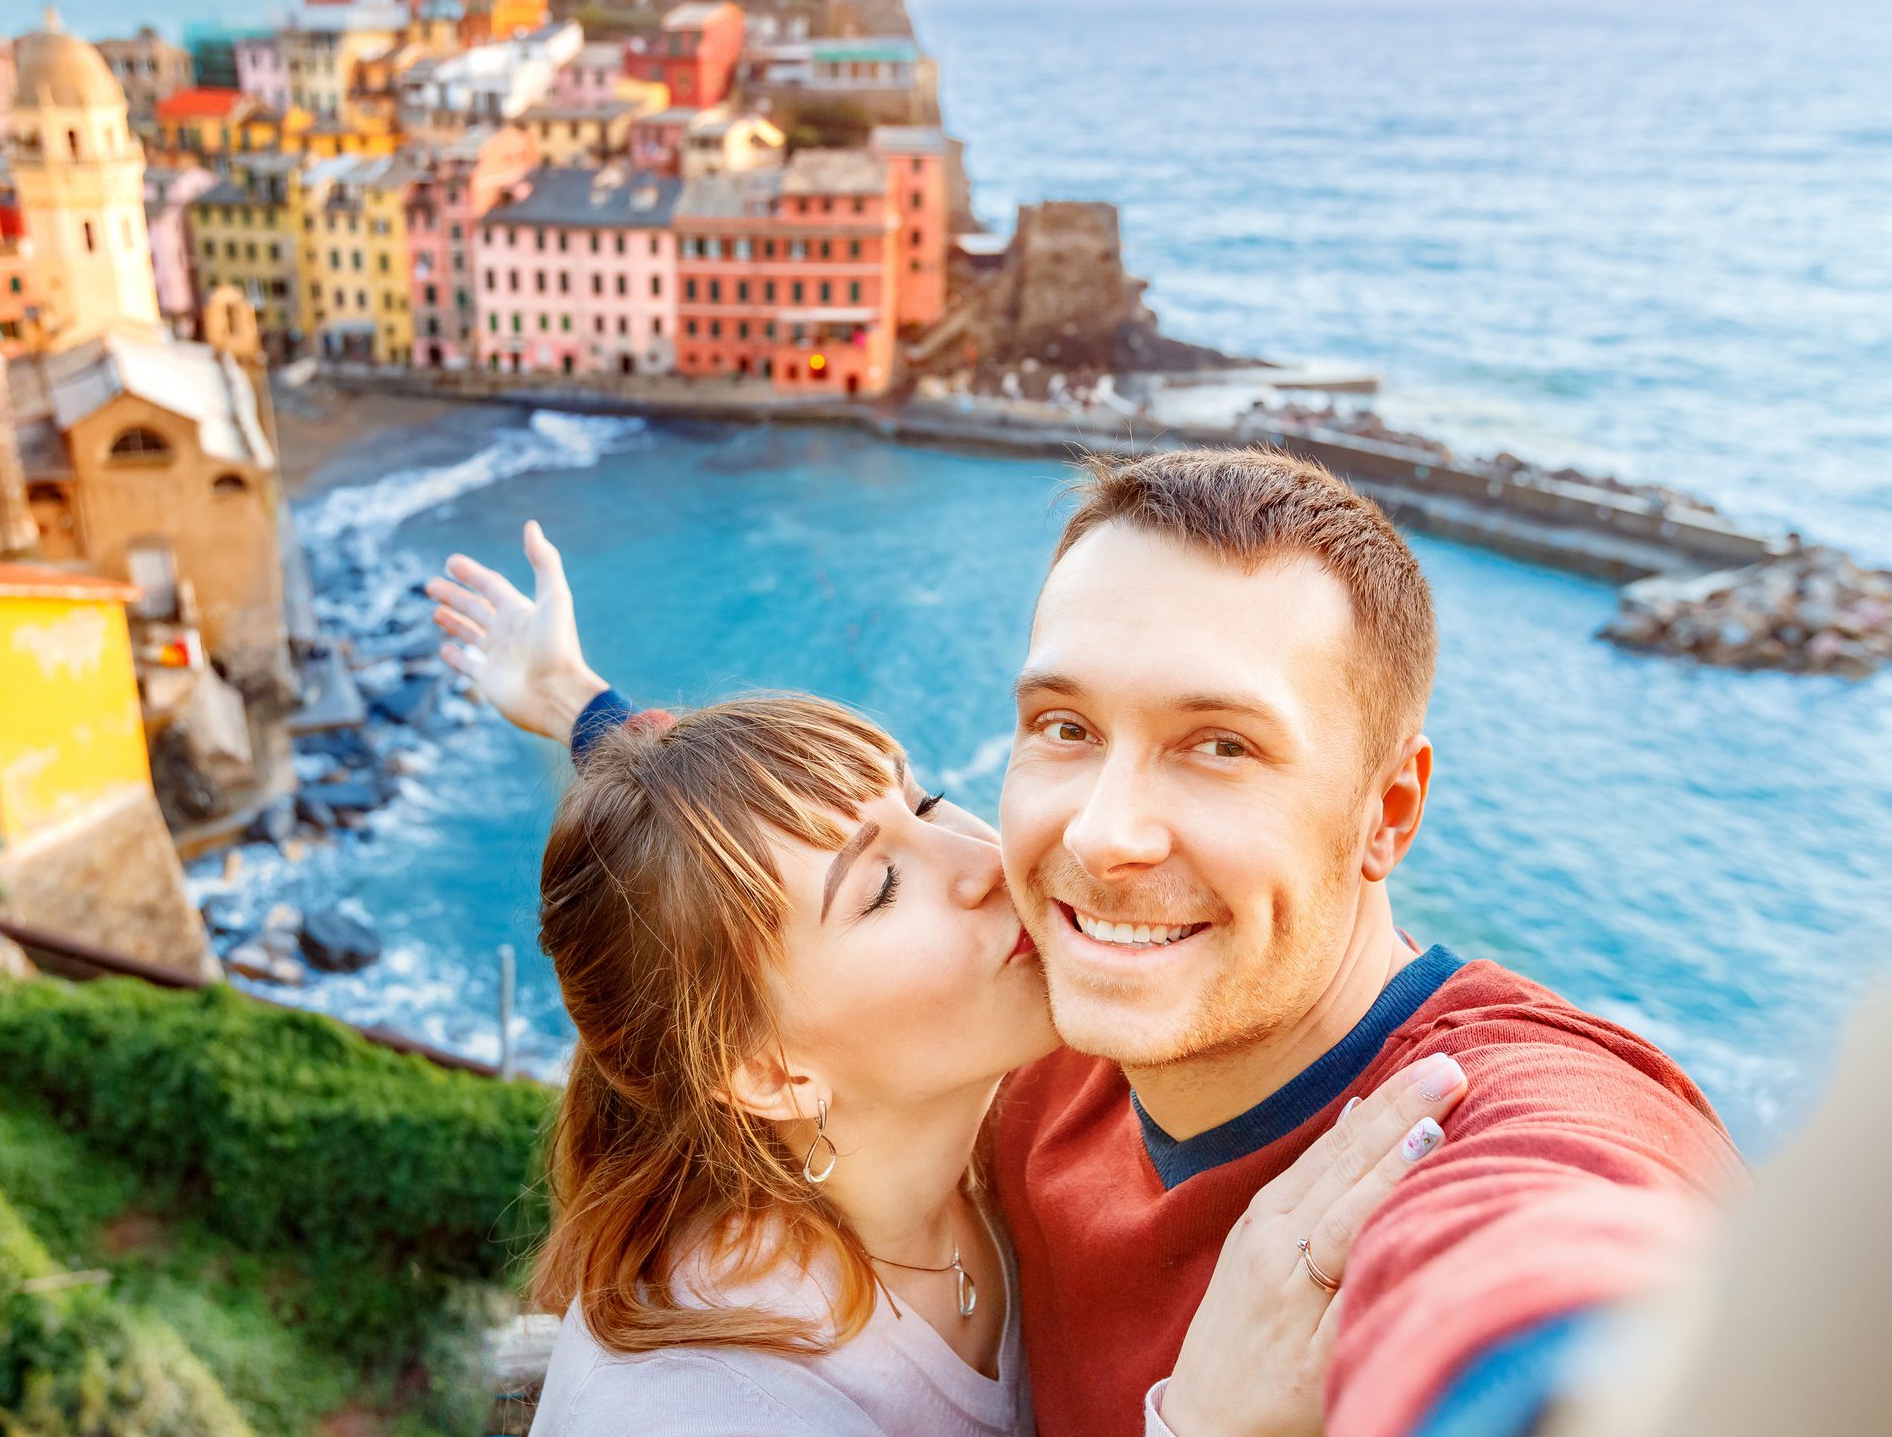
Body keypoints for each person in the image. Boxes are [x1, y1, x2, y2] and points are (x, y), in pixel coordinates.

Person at [434, 447, 1744, 1436]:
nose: (1098, 838)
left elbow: (1556, 1257)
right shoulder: (1045, 1030)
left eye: (1219, 744)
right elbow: (717, 903)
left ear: (1386, 810)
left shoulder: (1481, 1123)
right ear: (771, 1071)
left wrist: (581, 707)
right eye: (1063, 726)